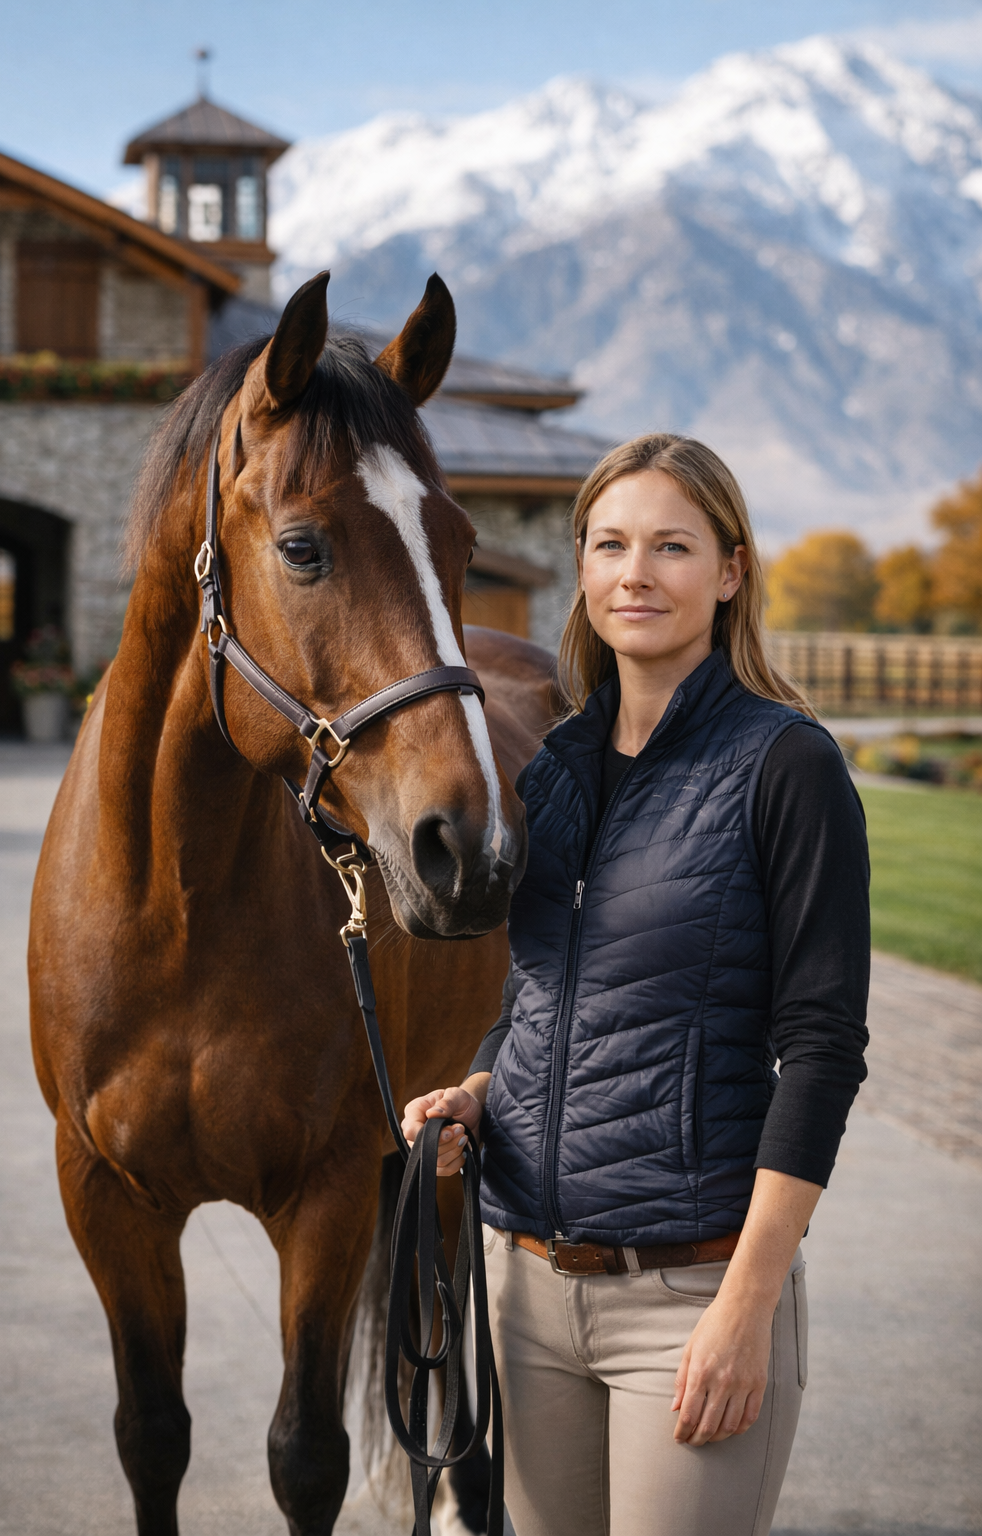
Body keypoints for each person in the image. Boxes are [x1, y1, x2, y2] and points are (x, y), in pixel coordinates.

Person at [402, 434, 870, 1536]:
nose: (635, 573)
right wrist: (478, 1090)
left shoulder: (785, 766)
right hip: (523, 1289)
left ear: (730, 569)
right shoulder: (552, 768)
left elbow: (820, 1048)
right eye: (609, 545)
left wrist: (745, 1306)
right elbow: (539, 997)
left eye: (671, 545)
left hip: (689, 1297)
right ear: (581, 567)